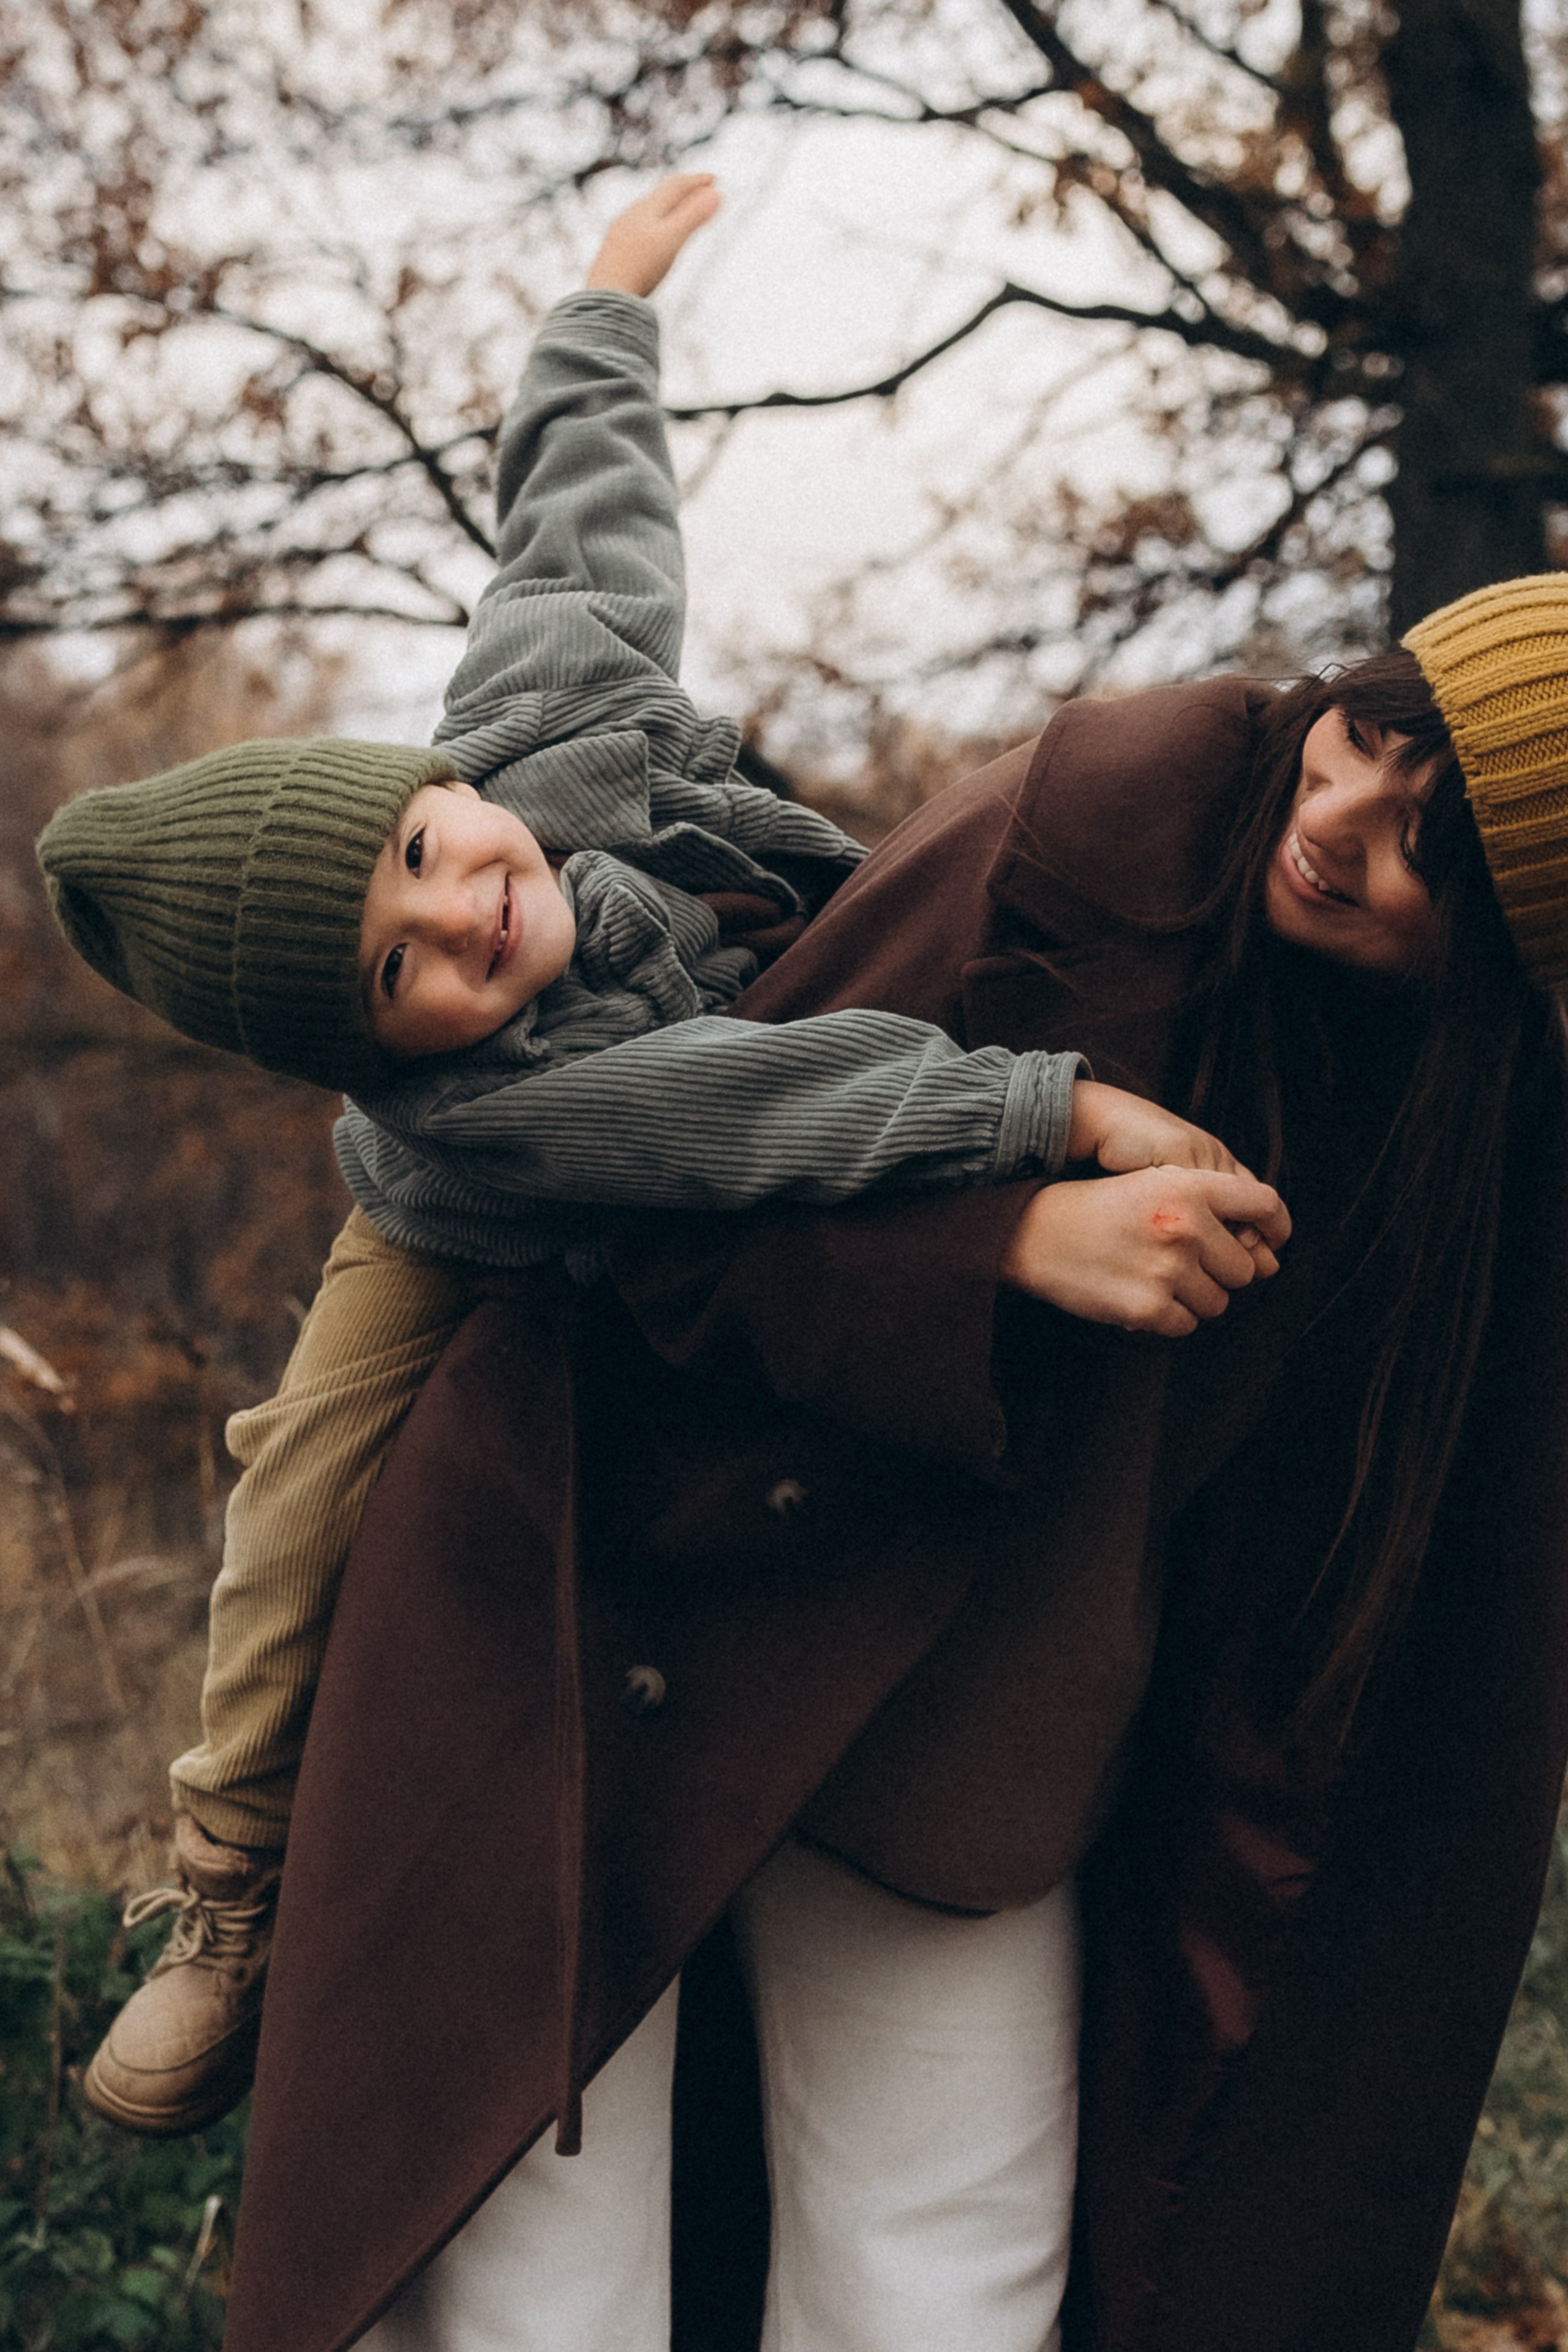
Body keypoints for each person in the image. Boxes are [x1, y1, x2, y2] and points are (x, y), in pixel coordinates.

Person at [36, 178, 1280, 2151]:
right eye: (394, 968)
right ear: (365, 1046)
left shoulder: (546, 714)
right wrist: (1041, 1110)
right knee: (297, 1490)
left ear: (445, 783)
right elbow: (748, 1109)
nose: (463, 918)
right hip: (472, 1215)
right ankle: (228, 1878)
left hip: (692, 1036)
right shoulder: (492, 1100)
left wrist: (602, 307)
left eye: (427, 852)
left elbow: (580, 507)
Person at [213, 573, 1568, 2352]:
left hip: (980, 1724)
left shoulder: (1486, 1121)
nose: (1336, 824)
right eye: (1370, 741)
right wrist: (1004, 1245)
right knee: (535, 2293)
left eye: (1428, 853)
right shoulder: (1094, 827)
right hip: (609, 1617)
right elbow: (643, 1200)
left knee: (943, 2291)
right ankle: (213, 1882)